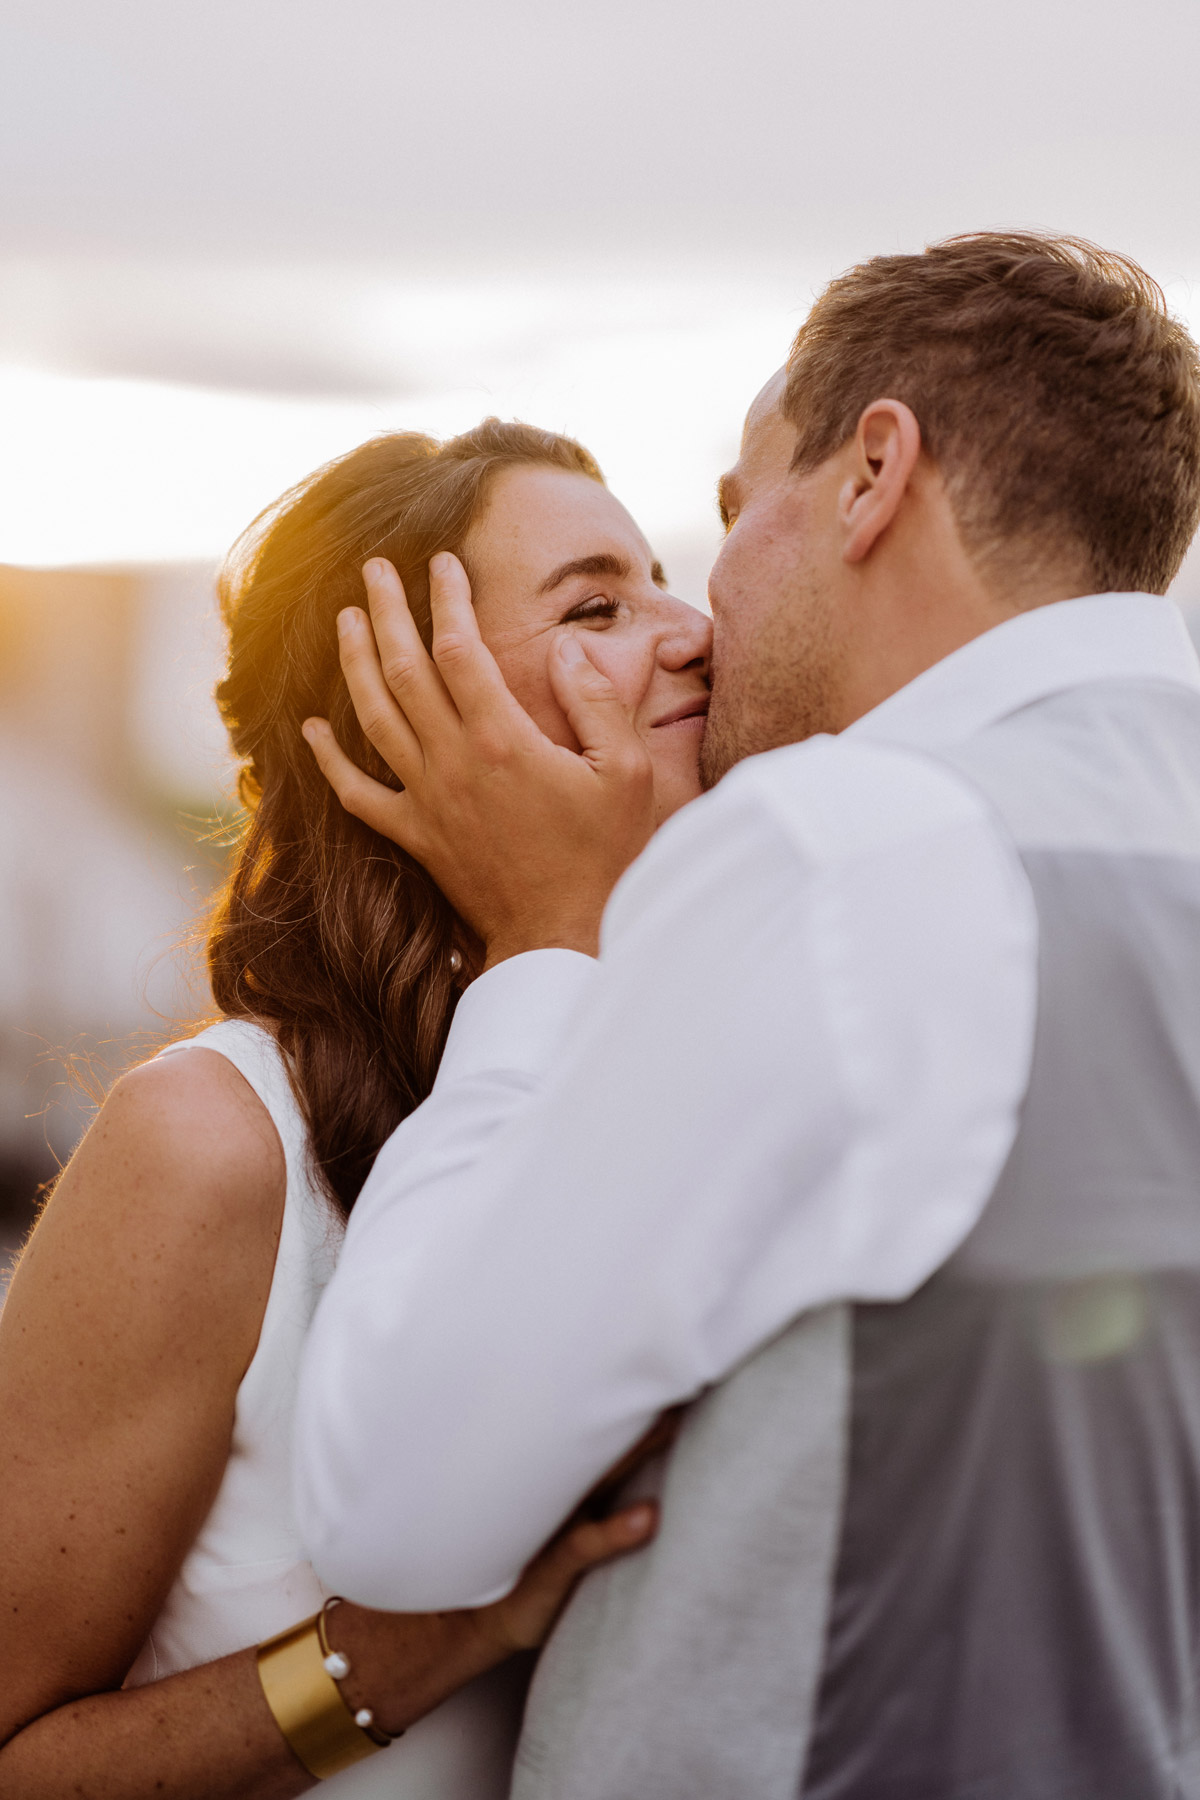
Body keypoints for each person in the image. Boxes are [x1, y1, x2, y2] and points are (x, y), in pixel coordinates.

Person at [295, 233, 1200, 1799]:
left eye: (730, 513)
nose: (702, 612)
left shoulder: (847, 852)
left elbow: (393, 1503)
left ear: (873, 476)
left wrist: (543, 936)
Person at [0, 418, 712, 1797]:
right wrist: (406, 1649)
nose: (694, 632)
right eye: (597, 608)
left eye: (663, 584)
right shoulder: (208, 1146)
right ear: (396, 715)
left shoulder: (660, 1079)